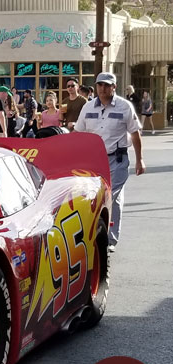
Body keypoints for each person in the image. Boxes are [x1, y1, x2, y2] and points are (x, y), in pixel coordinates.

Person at [74, 72, 146, 250]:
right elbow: (78, 135)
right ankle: (102, 235)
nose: (103, 88)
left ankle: (107, 239)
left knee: (108, 196)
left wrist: (140, 159)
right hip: (94, 160)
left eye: (107, 85)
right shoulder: (88, 107)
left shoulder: (124, 106)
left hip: (117, 159)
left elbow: (135, 134)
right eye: (100, 85)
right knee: (109, 197)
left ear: (114, 87)